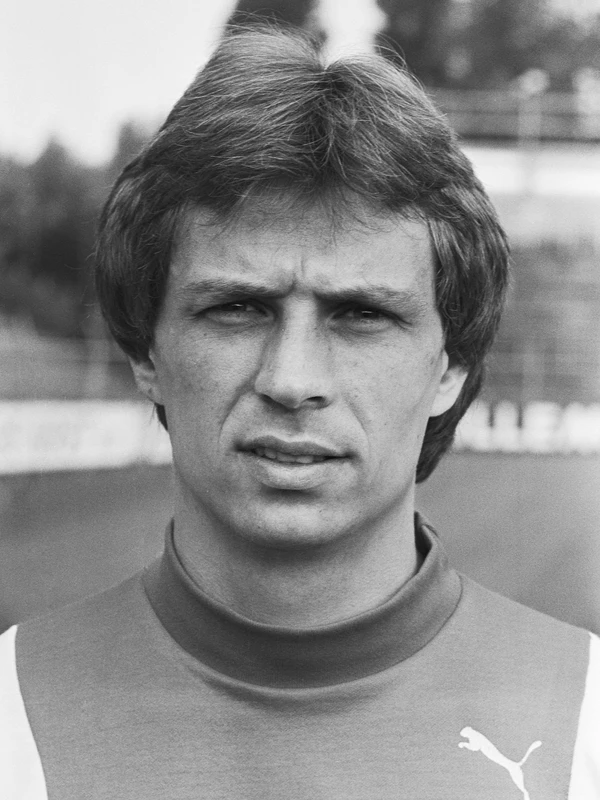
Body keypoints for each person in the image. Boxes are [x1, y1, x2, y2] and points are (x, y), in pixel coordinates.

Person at [1, 27, 598, 800]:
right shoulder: (10, 713)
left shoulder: (587, 724)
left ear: (450, 365)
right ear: (147, 349)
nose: (291, 379)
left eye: (360, 315)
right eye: (237, 308)